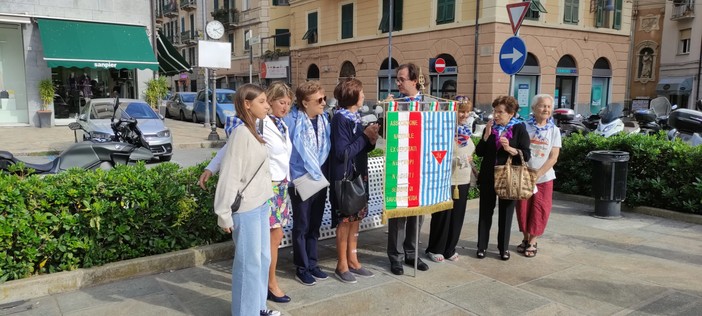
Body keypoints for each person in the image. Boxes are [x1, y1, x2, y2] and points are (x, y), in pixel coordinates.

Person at [198, 82, 295, 304]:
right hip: (258, 192)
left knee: (263, 253)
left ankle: (259, 303)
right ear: (252, 103)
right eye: (280, 102)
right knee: (252, 258)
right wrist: (211, 169)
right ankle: (260, 296)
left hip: (273, 190)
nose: (283, 107)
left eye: (289, 103)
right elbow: (231, 159)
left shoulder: (279, 125)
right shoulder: (249, 128)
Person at [212, 84, 280, 316]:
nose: (267, 105)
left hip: (261, 204)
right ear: (247, 104)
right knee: (248, 265)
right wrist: (223, 213)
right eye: (262, 101)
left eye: (266, 101)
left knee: (261, 259)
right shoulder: (242, 133)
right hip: (247, 208)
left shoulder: (254, 129)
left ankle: (258, 307)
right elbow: (230, 174)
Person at [329, 78, 379, 283]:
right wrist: (364, 137)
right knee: (345, 221)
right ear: (352, 96)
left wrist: (371, 140)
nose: (364, 96)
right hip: (345, 179)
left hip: (358, 175)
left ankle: (353, 260)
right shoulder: (340, 119)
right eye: (361, 92)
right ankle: (341, 265)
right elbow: (342, 153)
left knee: (355, 219)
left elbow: (359, 148)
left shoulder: (354, 117)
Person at [283, 80, 331, 286]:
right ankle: (301, 267)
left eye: (324, 98)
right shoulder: (291, 121)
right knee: (301, 225)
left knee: (314, 225)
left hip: (318, 178)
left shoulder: (324, 120)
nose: (323, 103)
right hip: (300, 181)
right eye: (319, 100)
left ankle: (313, 263)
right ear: (304, 102)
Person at [387, 62, 430, 275]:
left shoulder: (429, 104)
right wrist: (387, 112)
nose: (398, 83)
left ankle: (412, 254)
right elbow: (387, 135)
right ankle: (394, 257)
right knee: (399, 213)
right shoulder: (396, 104)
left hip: (421, 166)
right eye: (397, 79)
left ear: (415, 80)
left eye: (402, 79)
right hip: (401, 164)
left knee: (417, 213)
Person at [475, 95, 531, 261]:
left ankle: (503, 248)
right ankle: (481, 246)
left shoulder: (519, 128)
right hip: (488, 176)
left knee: (506, 214)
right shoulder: (490, 127)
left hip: (508, 177)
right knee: (485, 212)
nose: (496, 115)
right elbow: (479, 153)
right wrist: (485, 136)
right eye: (495, 111)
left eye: (500, 112)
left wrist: (509, 148)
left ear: (511, 113)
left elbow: (526, 155)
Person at [425, 100, 476, 263]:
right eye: (461, 111)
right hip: (445, 180)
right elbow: (435, 155)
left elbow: (471, 153)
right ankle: (435, 248)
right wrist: (458, 159)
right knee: (442, 215)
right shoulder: (443, 131)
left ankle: (450, 248)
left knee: (457, 216)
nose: (465, 115)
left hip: (463, 179)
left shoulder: (467, 131)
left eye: (467, 112)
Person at [515, 94, 561, 258]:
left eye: (549, 107)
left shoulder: (554, 130)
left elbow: (553, 157)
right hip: (524, 175)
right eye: (542, 106)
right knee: (523, 208)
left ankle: (533, 241)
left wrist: (538, 174)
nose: (546, 109)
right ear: (533, 108)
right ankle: (525, 238)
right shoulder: (523, 127)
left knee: (540, 209)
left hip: (544, 177)